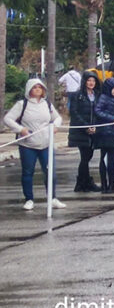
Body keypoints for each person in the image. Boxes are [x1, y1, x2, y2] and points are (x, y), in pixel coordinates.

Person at [3, 79, 65, 210]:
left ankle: (52, 198)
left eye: (40, 87)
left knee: (50, 172)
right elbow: (8, 119)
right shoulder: (22, 104)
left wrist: (55, 125)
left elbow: (57, 118)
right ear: (29, 90)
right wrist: (21, 129)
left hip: (46, 144)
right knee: (28, 172)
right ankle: (29, 199)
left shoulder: (47, 104)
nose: (37, 89)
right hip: (28, 145)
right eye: (34, 87)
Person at [68, 71, 102, 192]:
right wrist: (85, 126)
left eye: (93, 81)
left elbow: (99, 111)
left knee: (88, 156)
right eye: (89, 80)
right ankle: (85, 182)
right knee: (85, 156)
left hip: (94, 130)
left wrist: (96, 126)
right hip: (81, 131)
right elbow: (74, 113)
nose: (91, 83)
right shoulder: (78, 96)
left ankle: (83, 182)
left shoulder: (97, 95)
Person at [94, 78, 114, 193]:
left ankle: (111, 183)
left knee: (110, 158)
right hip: (105, 131)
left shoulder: (111, 99)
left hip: (111, 130)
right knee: (106, 158)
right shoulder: (103, 98)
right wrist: (111, 119)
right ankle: (106, 183)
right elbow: (98, 110)